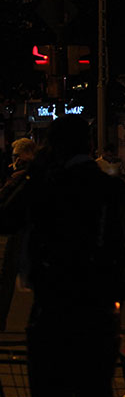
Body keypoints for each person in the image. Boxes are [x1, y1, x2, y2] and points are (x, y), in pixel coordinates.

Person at [0, 115, 125, 397]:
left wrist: (29, 176)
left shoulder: (46, 185)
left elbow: (6, 217)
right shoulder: (114, 190)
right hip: (100, 314)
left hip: (53, 314)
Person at [0, 138, 35, 331]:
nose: (13, 159)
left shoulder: (20, 176)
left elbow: (4, 199)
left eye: (15, 155)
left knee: (6, 276)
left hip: (16, 231)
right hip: (30, 230)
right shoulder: (39, 173)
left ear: (22, 155)